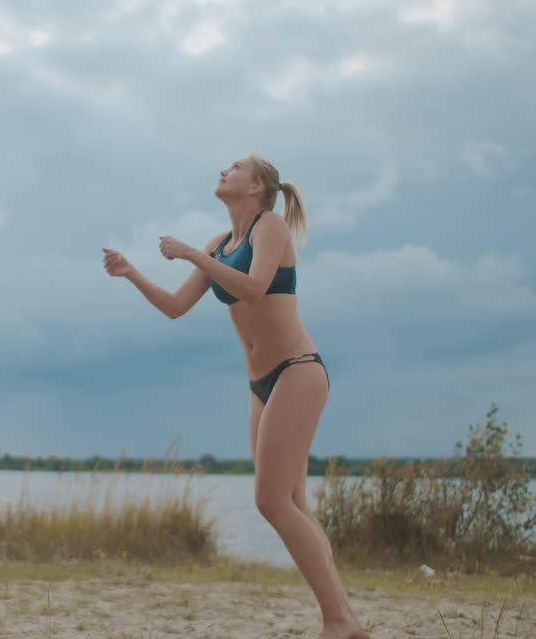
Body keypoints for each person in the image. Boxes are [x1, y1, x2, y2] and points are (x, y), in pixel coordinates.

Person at [102, 154, 367, 639]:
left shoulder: (271, 227)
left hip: (297, 371)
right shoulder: (221, 243)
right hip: (262, 383)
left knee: (270, 501)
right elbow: (177, 307)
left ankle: (339, 621)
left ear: (257, 187)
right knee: (291, 504)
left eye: (236, 166)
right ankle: (344, 617)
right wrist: (132, 273)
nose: (224, 169)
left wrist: (190, 255)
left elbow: (253, 288)